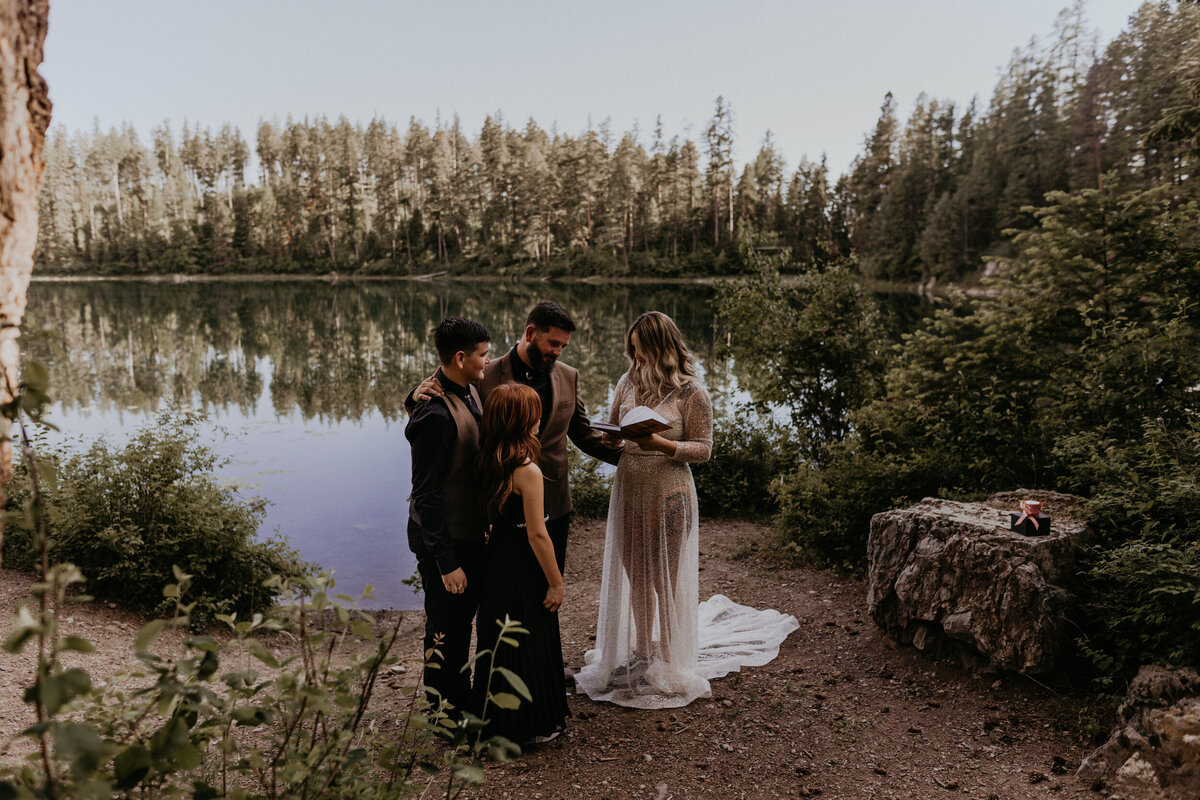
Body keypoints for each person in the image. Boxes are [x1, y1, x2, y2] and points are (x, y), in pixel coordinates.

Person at [575, 311, 799, 709]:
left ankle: (671, 659)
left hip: (670, 491)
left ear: (660, 347)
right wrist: (611, 440)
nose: (635, 357)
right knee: (636, 575)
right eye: (631, 350)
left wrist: (662, 445)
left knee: (665, 578)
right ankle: (642, 652)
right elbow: (611, 430)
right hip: (629, 488)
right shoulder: (627, 382)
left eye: (640, 349)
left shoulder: (692, 393)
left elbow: (704, 448)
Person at [413, 301, 622, 574]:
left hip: (554, 502)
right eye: (553, 343)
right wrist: (416, 396)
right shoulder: (484, 374)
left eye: (563, 347)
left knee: (548, 584)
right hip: (500, 505)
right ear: (530, 333)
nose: (557, 352)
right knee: (502, 586)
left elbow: (582, 433)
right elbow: (446, 393)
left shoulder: (570, 376)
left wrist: (630, 457)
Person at [472, 383, 569, 745]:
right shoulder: (526, 469)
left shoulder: (486, 457)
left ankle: (495, 721)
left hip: (495, 559)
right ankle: (531, 724)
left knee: (499, 635)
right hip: (522, 562)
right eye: (535, 413)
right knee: (530, 633)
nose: (540, 419)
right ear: (521, 420)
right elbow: (537, 535)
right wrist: (556, 582)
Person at [404, 316, 490, 713]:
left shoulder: (467, 389)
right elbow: (425, 496)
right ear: (460, 357)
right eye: (483, 355)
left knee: (460, 625)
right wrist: (446, 562)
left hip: (466, 532)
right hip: (444, 539)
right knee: (444, 627)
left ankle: (459, 698)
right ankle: (442, 714)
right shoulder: (434, 414)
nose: (488, 362)